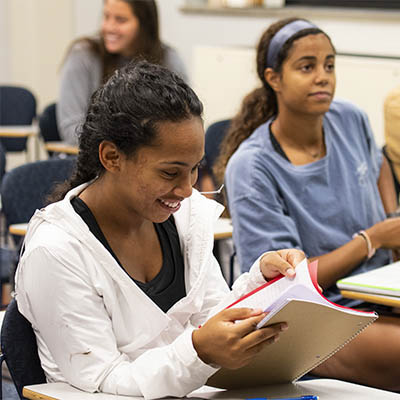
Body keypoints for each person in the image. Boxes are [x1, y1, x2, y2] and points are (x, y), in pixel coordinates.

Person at [15, 61, 304, 398]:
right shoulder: (56, 251)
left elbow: (212, 318)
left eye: (195, 169)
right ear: (111, 157)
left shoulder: (182, 217)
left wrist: (261, 283)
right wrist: (200, 352)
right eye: (170, 173)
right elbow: (104, 380)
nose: (186, 189)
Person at [214, 17, 400, 391]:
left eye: (330, 65)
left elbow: (377, 165)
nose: (323, 77)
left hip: (377, 292)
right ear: (273, 78)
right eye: (307, 67)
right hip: (313, 318)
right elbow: (284, 285)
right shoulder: (252, 167)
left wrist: (392, 219)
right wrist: (372, 240)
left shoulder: (349, 118)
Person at [57, 0, 188, 146]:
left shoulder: (169, 59)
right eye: (106, 17)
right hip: (97, 159)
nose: (109, 27)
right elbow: (71, 130)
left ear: (144, 24)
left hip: (153, 159)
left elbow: (183, 122)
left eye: (121, 20)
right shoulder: (83, 55)